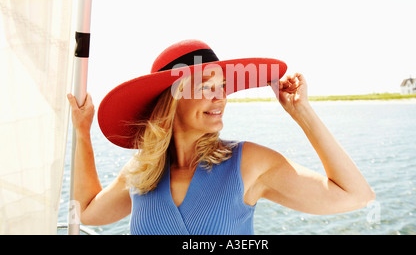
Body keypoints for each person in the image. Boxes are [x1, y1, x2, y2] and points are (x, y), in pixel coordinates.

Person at [67, 39, 375, 234]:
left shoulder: (249, 163)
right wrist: (82, 132)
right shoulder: (143, 172)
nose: (221, 97)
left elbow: (356, 196)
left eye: (223, 86)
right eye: (206, 87)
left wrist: (302, 113)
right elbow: (88, 212)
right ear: (172, 100)